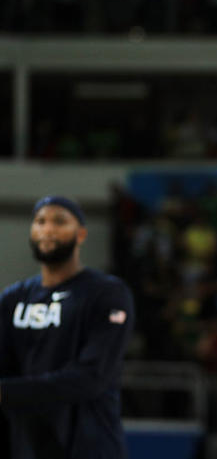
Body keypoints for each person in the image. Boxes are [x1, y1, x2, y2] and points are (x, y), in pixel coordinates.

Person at [0, 196, 135, 459]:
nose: (47, 229)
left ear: (81, 234)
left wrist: (6, 391)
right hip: (26, 445)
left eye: (59, 221)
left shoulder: (107, 294)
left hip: (89, 446)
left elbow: (91, 378)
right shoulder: (12, 298)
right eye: (40, 221)